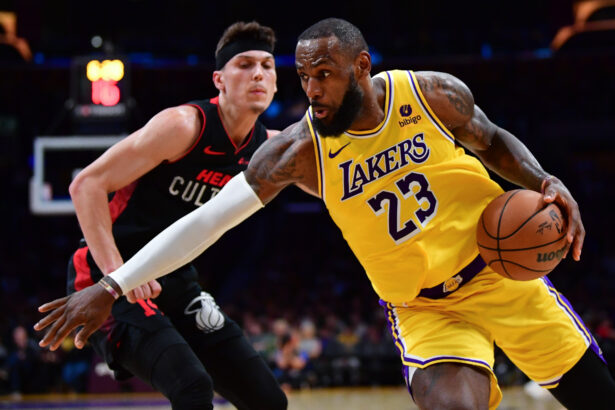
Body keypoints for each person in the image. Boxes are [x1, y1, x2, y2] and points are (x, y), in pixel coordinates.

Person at [35, 18, 615, 409]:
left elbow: (492, 141)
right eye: (304, 77)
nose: (312, 90)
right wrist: (112, 284)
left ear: (361, 66)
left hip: (500, 276)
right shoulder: (295, 150)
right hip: (425, 309)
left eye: (325, 75)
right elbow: (207, 222)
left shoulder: (431, 94)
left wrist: (544, 179)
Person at [36, 21, 287, 410]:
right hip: (108, 274)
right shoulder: (184, 126)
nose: (258, 73)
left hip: (175, 277)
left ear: (275, 83)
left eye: (267, 66)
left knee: (268, 400)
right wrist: (118, 277)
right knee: (192, 387)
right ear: (219, 80)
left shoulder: (269, 150)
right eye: (245, 64)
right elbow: (86, 185)